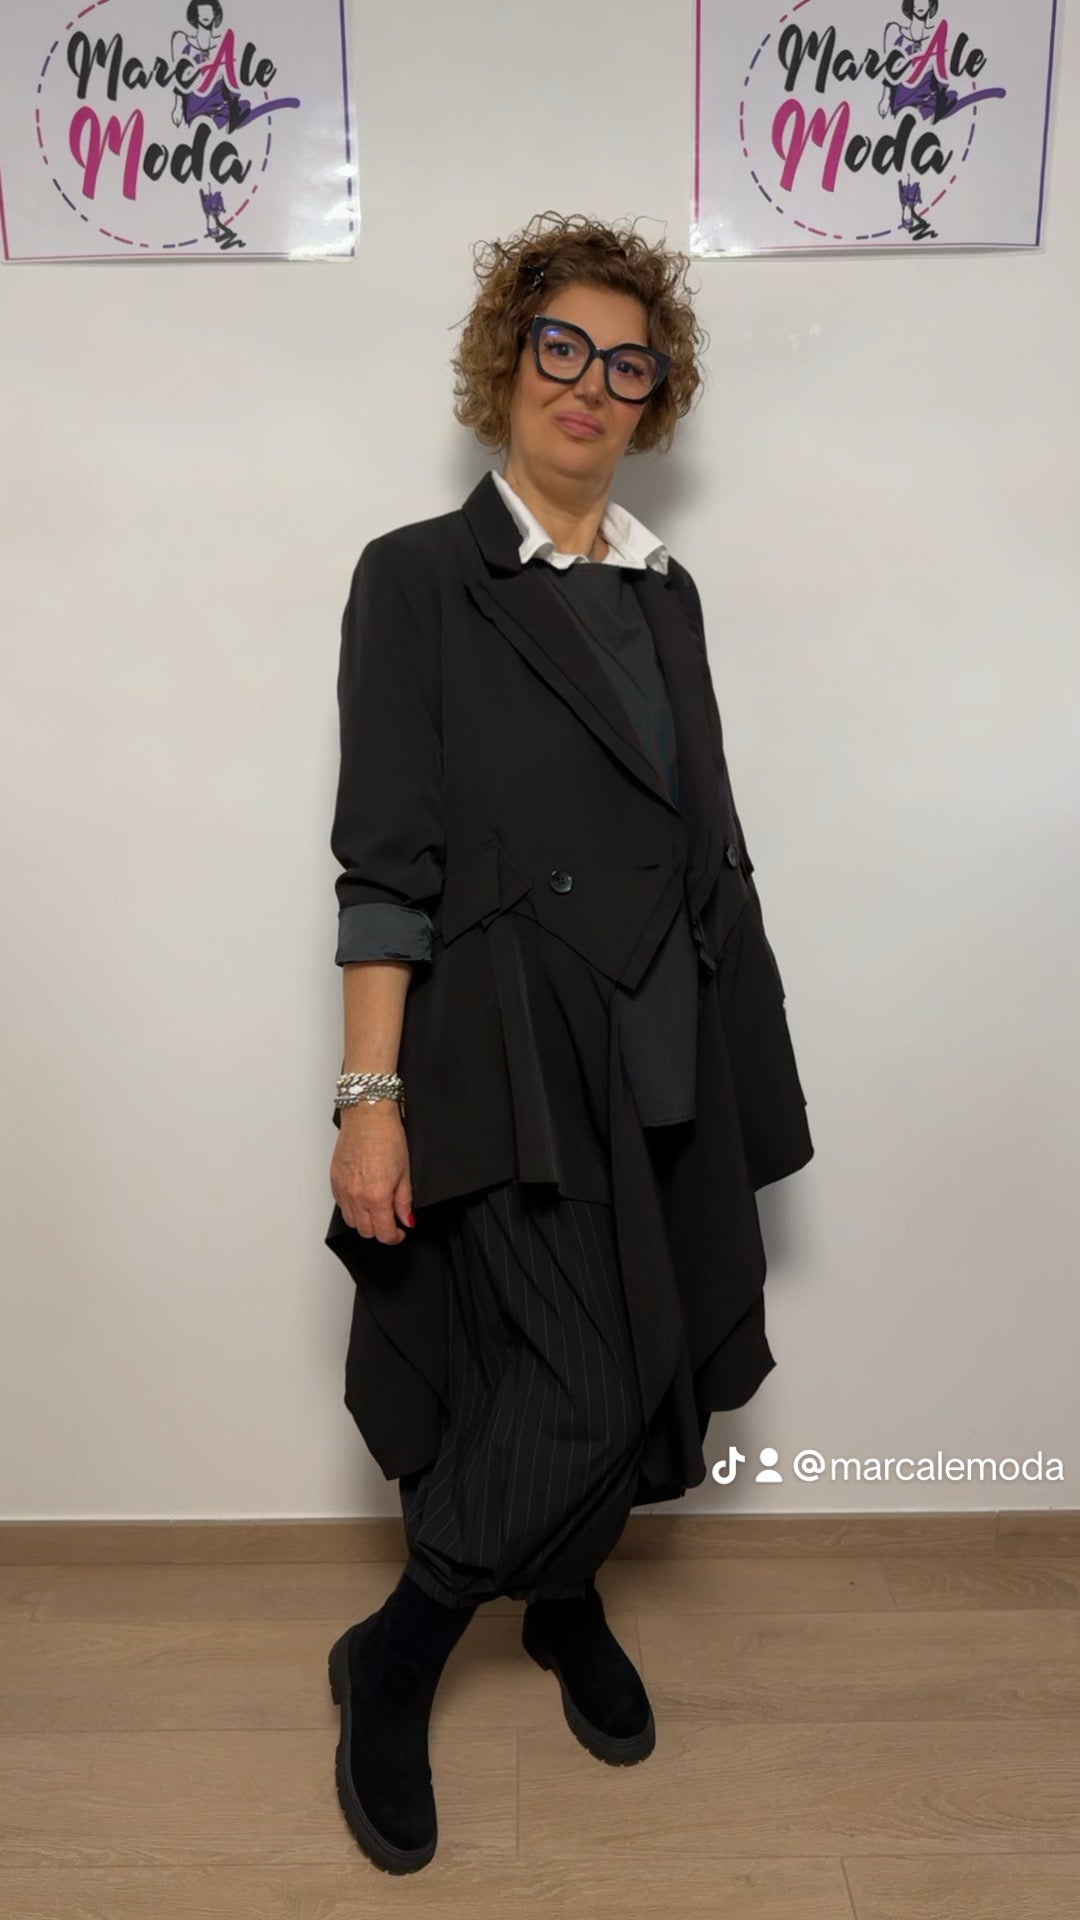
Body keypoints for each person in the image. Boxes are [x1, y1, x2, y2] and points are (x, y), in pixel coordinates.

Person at [324, 210, 813, 1874]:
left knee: (645, 1348)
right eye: (562, 349)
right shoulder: (417, 578)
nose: (592, 385)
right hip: (516, 1050)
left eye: (628, 363)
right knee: (571, 1374)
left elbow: (691, 832)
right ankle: (397, 1653)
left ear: (654, 395)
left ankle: (564, 1597)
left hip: (671, 1036)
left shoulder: (670, 594)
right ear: (506, 364)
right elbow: (385, 864)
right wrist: (370, 1096)